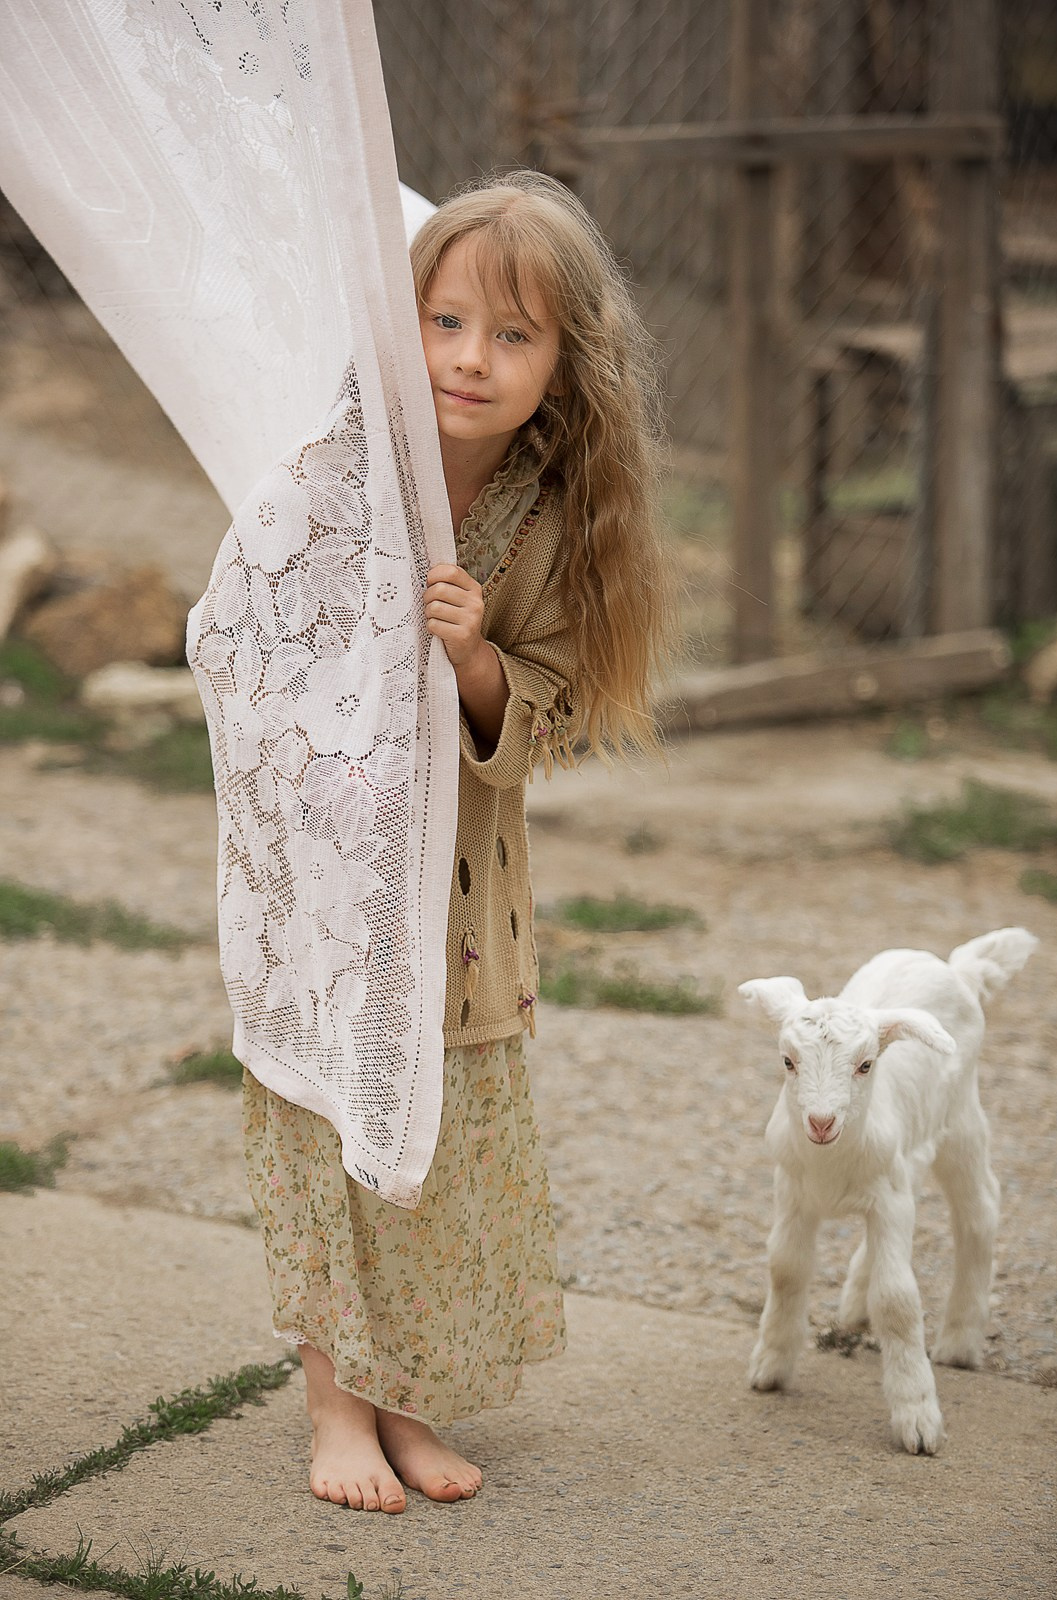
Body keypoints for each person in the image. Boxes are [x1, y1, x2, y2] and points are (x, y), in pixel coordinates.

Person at [242, 169, 674, 1512]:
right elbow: (255, 632)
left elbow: (545, 709)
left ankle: (412, 1396)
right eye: (445, 323)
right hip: (328, 870)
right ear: (401, 323)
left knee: (436, 1134)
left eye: (512, 335)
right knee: (334, 1121)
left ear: (563, 363)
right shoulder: (340, 463)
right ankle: (336, 1412)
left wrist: (476, 656)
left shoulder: (550, 517)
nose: (472, 361)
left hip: (459, 896)